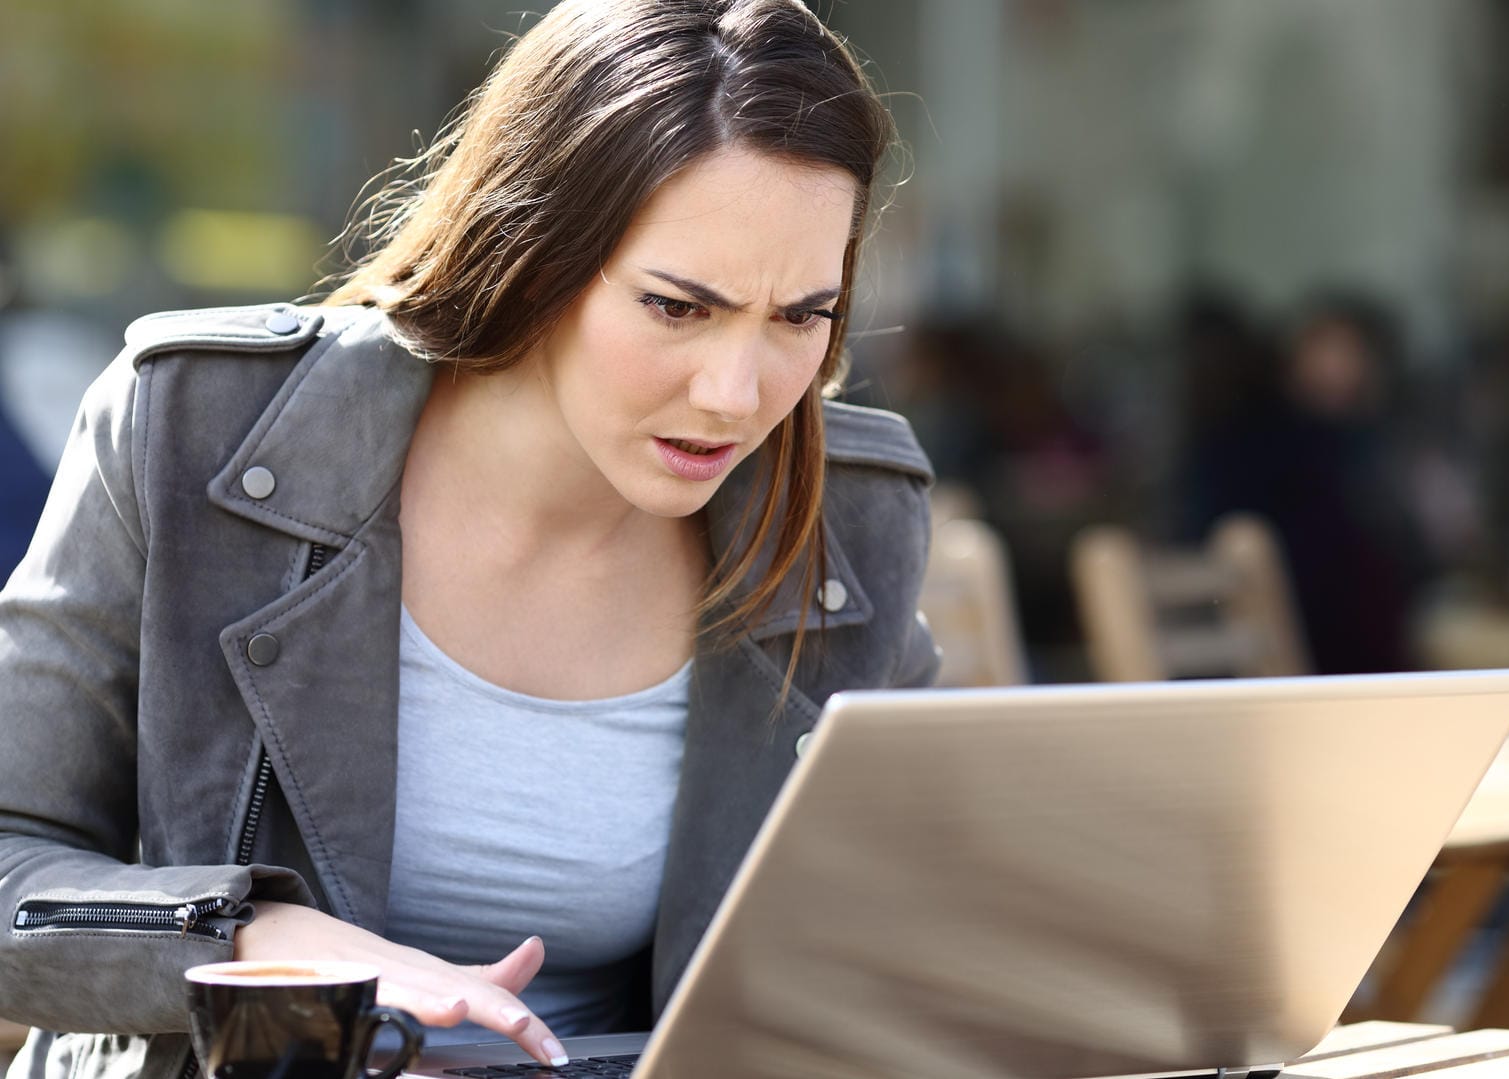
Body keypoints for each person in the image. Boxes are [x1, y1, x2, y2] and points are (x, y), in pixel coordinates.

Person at [0, 3, 937, 1078]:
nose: (736, 394)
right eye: (678, 308)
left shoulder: (844, 517)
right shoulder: (189, 429)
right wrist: (255, 938)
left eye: (799, 317)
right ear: (535, 253)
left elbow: (908, 929)